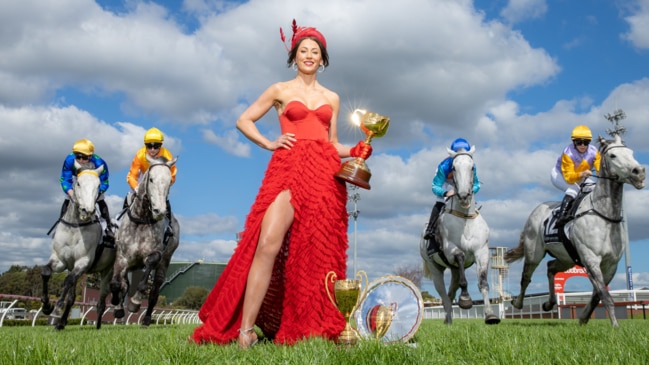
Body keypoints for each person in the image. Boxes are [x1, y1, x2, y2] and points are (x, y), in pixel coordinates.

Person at [191, 19, 372, 348]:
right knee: (267, 243)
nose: (309, 55)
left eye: (315, 52)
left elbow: (331, 143)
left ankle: (310, 324)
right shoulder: (279, 90)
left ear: (323, 59)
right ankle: (245, 329)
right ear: (294, 56)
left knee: (317, 252)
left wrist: (356, 150)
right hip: (288, 169)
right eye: (303, 50)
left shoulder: (331, 97)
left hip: (323, 175)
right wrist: (268, 143)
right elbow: (243, 120)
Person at [423, 138, 480, 255]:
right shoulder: (444, 167)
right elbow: (435, 186)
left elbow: (477, 184)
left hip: (462, 182)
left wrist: (470, 191)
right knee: (440, 202)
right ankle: (431, 231)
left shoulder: (471, 165)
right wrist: (445, 193)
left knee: (471, 203)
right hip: (445, 181)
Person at [59, 138, 115, 243]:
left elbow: (105, 182)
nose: (80, 160)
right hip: (79, 180)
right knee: (67, 198)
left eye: (84, 158)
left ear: (90, 156)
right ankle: (60, 224)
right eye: (78, 157)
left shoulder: (99, 163)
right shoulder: (69, 160)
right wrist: (71, 193)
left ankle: (108, 227)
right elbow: (65, 179)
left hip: (94, 183)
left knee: (100, 200)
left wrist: (95, 194)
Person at [126, 127, 177, 240]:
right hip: (143, 180)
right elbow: (132, 176)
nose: (153, 149)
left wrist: (163, 186)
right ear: (145, 145)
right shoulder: (140, 154)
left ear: (161, 145)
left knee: (164, 201)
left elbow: (172, 175)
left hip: (159, 182)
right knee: (129, 198)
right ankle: (120, 226)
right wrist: (136, 188)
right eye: (149, 146)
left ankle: (168, 226)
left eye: (156, 146)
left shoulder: (167, 155)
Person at [551, 125, 600, 224]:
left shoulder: (594, 151)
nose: (582, 145)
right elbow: (569, 178)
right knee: (574, 190)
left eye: (586, 143)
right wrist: (582, 174)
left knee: (595, 188)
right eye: (579, 142)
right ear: (574, 142)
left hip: (581, 176)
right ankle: (562, 216)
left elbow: (600, 168)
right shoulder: (568, 153)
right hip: (561, 175)